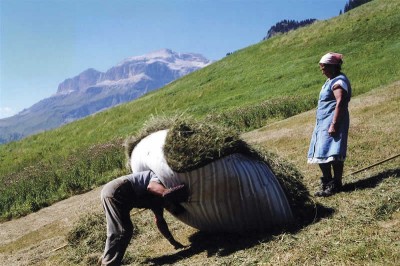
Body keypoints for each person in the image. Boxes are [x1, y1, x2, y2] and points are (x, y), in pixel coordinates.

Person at [99, 170, 189, 266]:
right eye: (172, 207)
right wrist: (167, 192)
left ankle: (104, 260)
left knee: (120, 230)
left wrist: (173, 242)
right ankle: (108, 264)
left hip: (116, 191)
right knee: (121, 231)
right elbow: (151, 187)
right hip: (118, 189)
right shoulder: (159, 178)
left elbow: (160, 221)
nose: (169, 209)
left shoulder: (158, 202)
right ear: (172, 200)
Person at [308, 52, 352, 197]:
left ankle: (336, 184)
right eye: (321, 68)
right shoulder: (330, 80)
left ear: (333, 66)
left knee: (334, 152)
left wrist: (334, 123)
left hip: (333, 120)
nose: (322, 71)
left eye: (324, 68)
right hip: (323, 122)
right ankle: (327, 182)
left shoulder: (339, 81)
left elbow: (340, 102)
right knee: (322, 152)